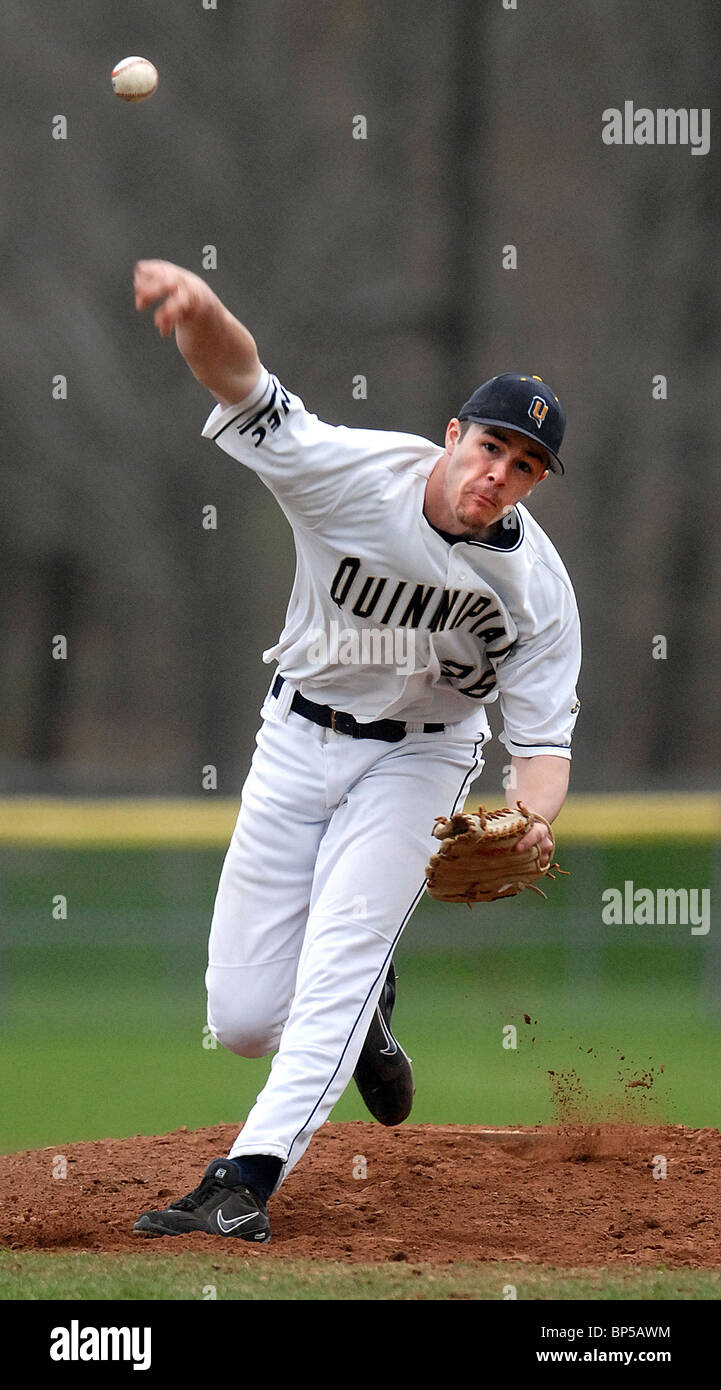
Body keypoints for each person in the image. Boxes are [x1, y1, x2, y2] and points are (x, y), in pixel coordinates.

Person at [131, 261, 581, 1243]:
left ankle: (242, 1180)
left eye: (524, 467)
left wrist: (531, 819)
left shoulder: (537, 592)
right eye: (491, 447)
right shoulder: (349, 471)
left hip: (419, 761)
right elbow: (241, 381)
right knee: (246, 1017)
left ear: (534, 483)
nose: (498, 475)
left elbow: (542, 745)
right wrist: (204, 312)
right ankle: (366, 1020)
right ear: (454, 434)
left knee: (333, 962)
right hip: (294, 735)